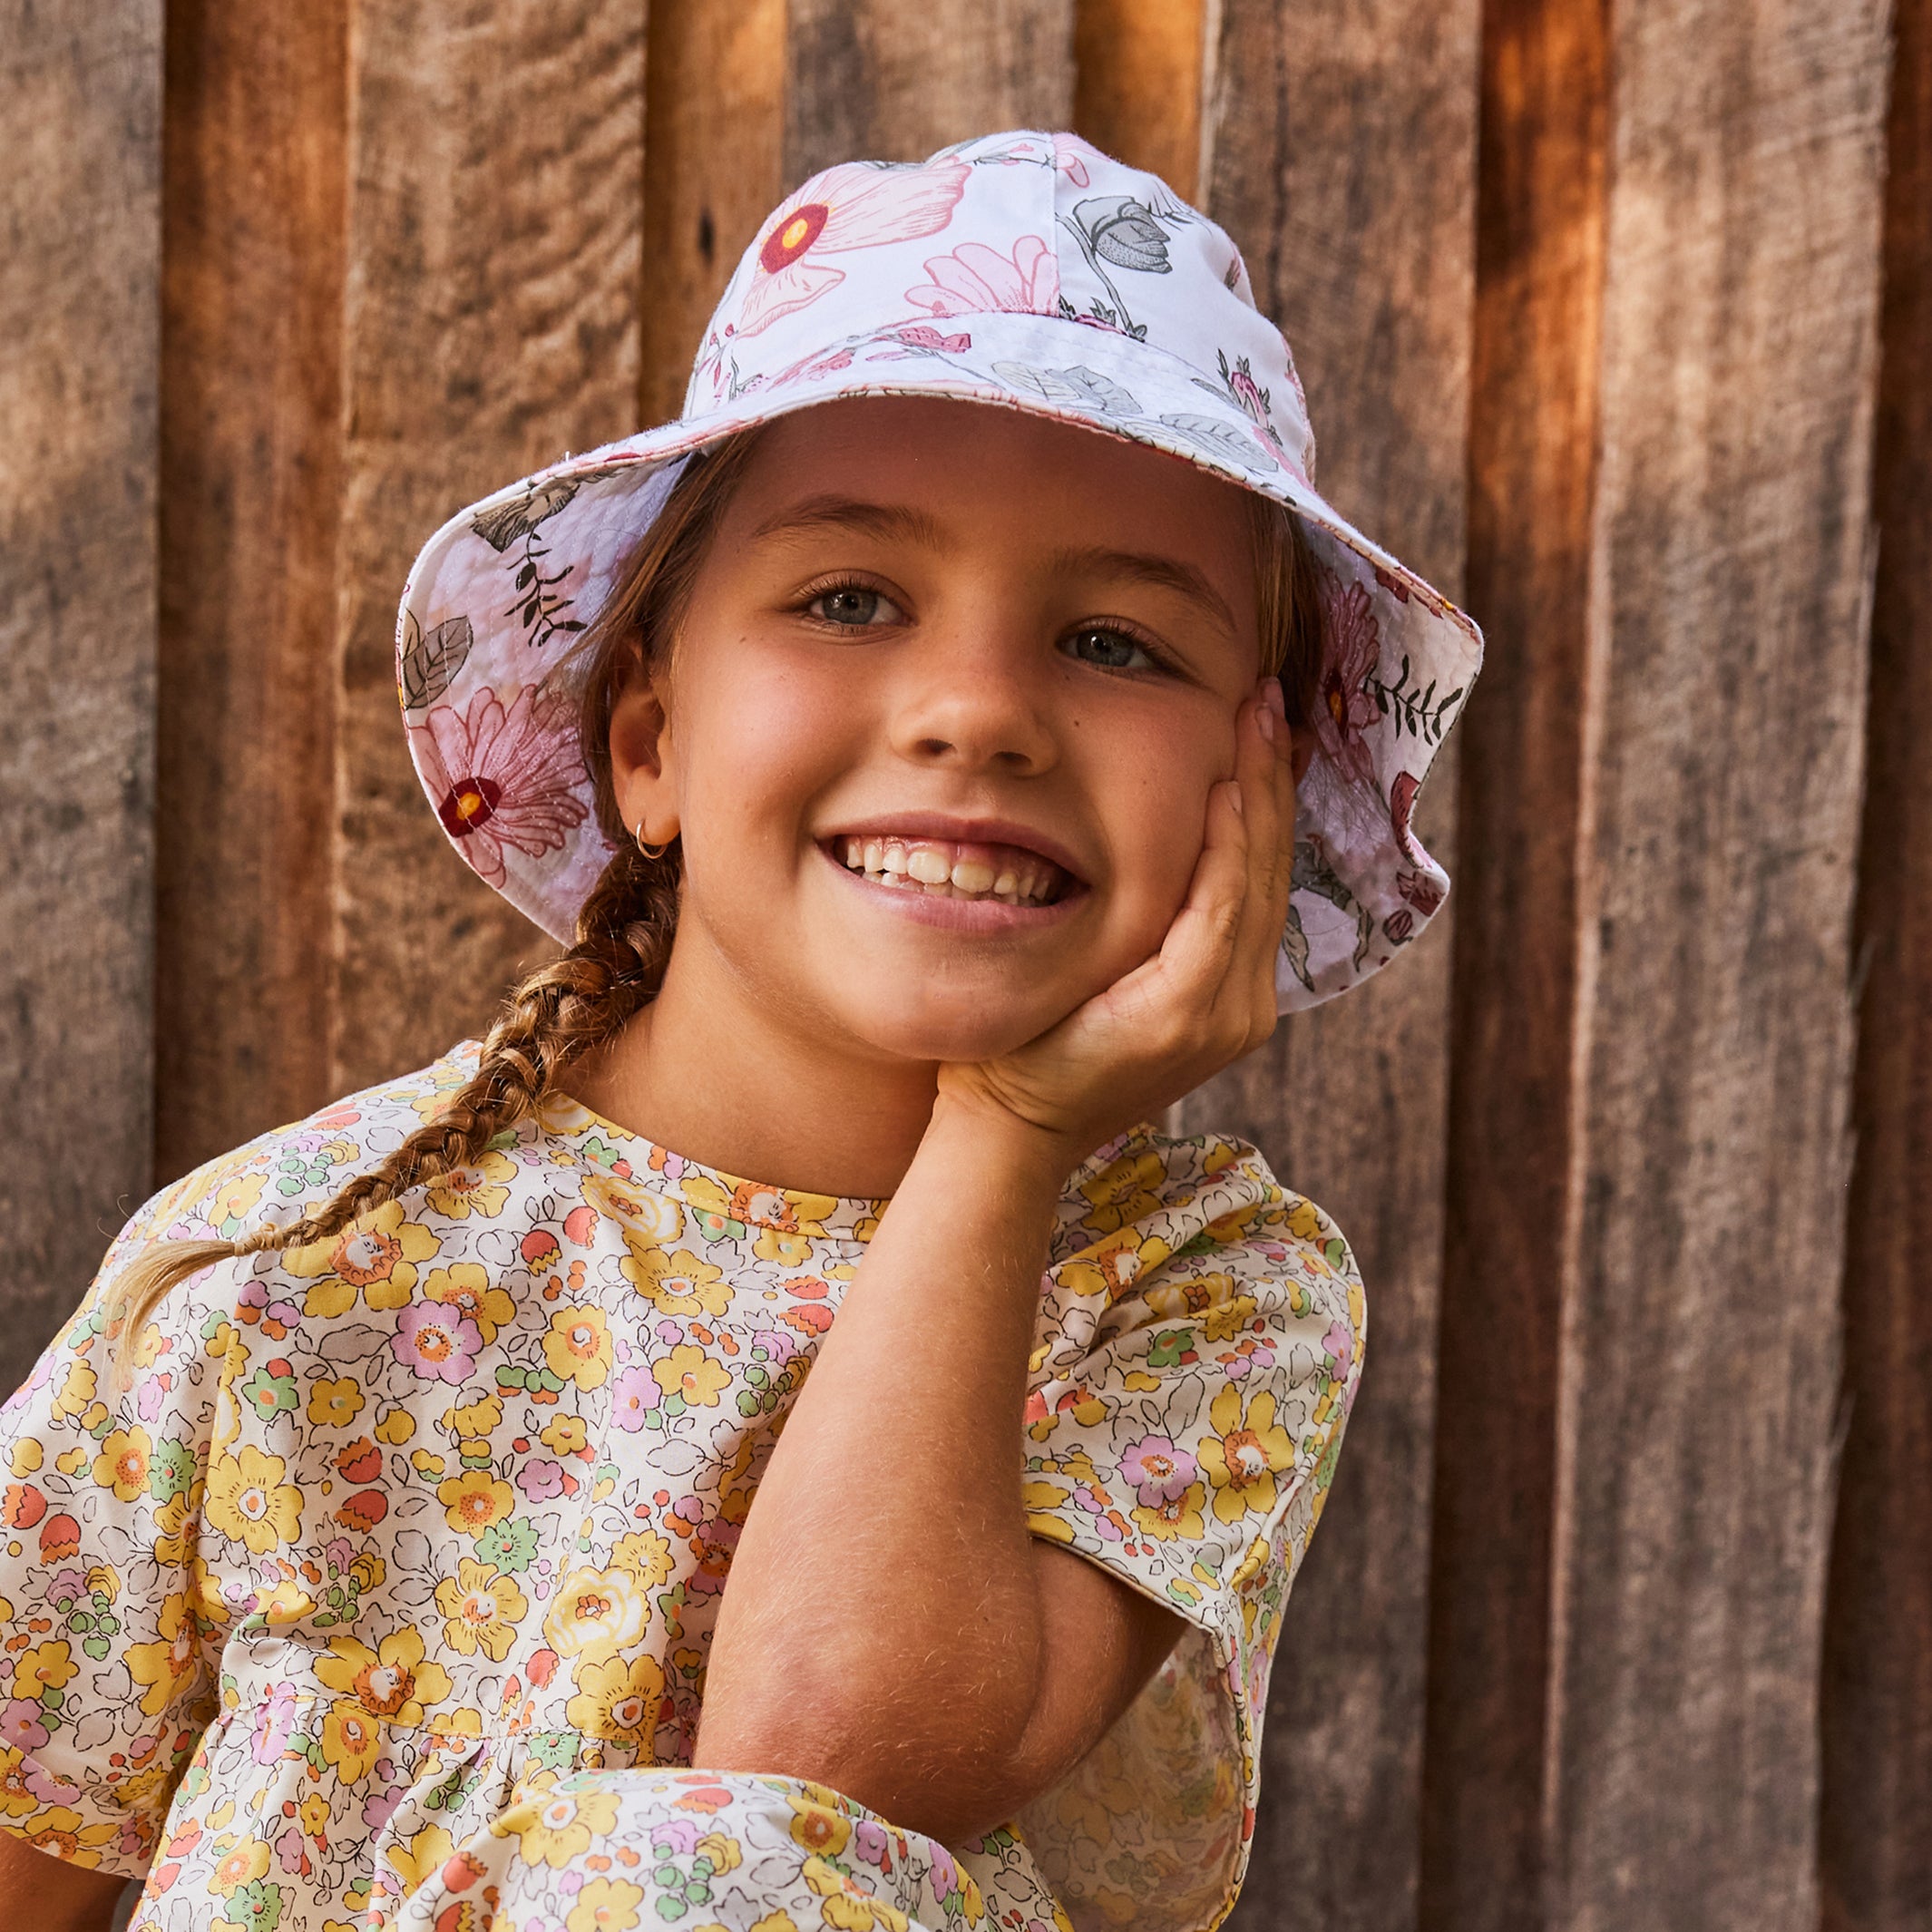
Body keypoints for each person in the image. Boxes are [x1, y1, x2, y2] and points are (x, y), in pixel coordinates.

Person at [0, 131, 1480, 1932]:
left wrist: (1007, 1136)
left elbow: (813, 1766)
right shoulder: (273, 1276)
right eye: (849, 599)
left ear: (1259, 799)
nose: (977, 711)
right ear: (647, 740)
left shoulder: (1203, 1297)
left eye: (1117, 642)